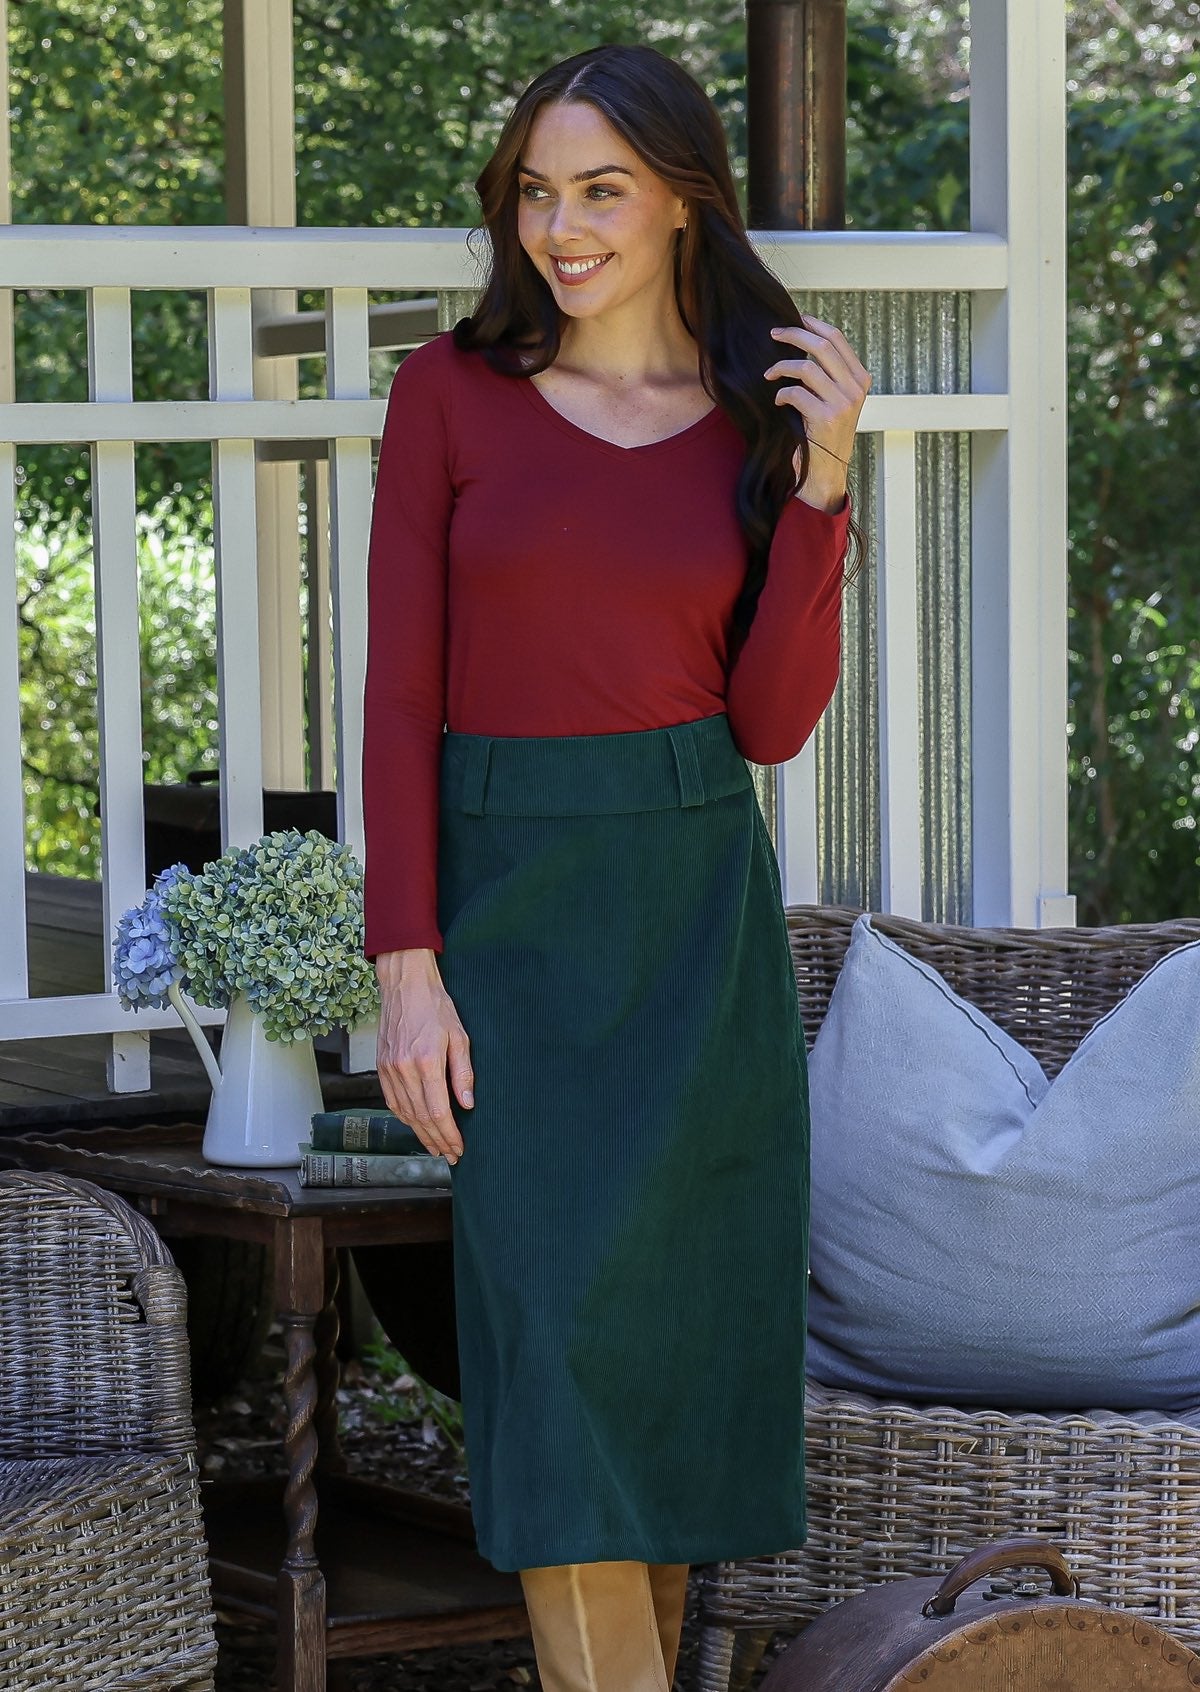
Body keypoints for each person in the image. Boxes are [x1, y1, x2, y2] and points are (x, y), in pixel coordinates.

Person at [360, 42, 870, 1692]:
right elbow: (400, 695)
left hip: (695, 921)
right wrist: (407, 967)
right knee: (560, 1356)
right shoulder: (448, 396)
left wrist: (826, 488)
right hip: (509, 923)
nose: (561, 229)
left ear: (680, 205)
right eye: (537, 192)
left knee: (658, 1376)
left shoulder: (748, 422)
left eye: (601, 192)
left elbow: (769, 723)